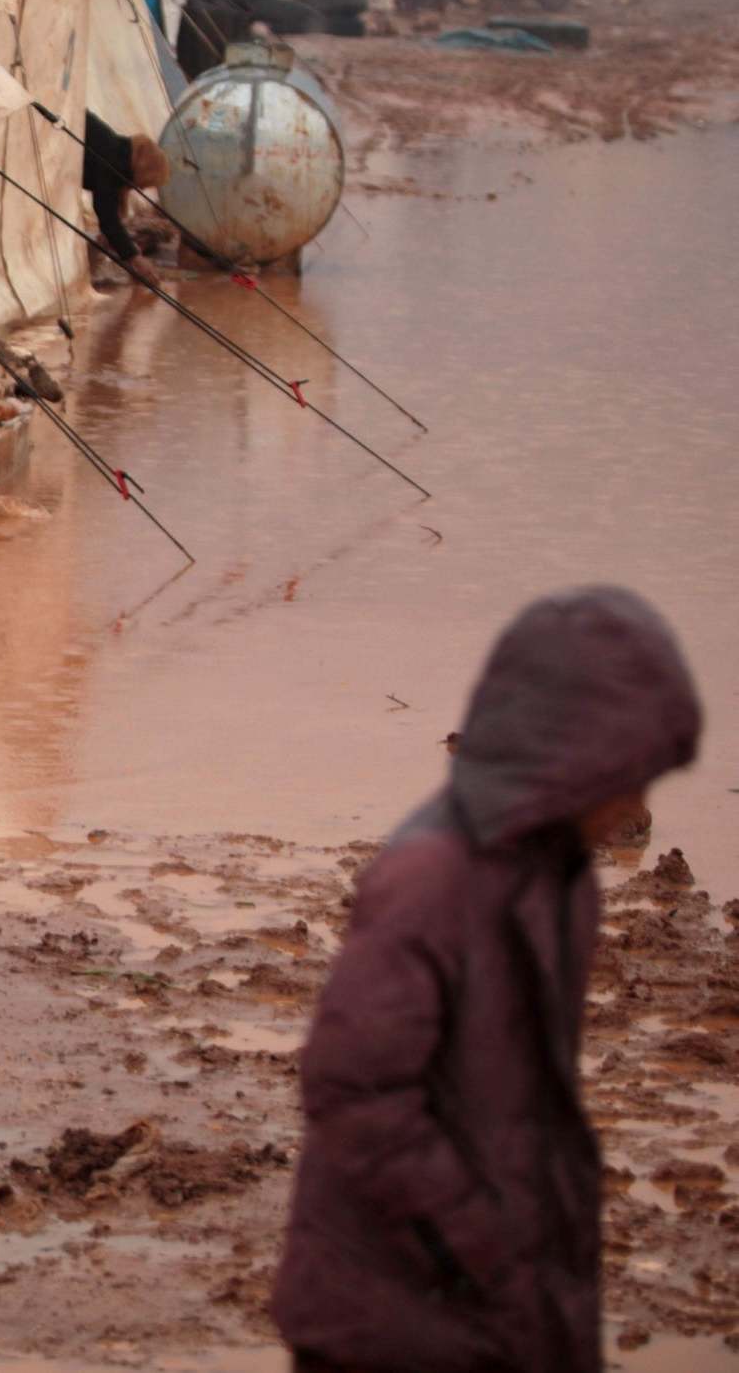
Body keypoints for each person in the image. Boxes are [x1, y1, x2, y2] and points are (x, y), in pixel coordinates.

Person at [273, 587, 702, 1373]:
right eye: (628, 771)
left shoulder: (564, 882)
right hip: (390, 1321)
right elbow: (353, 1093)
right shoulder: (431, 879)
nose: (638, 804)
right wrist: (488, 1246)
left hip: (497, 1309)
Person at [81, 110, 170, 264]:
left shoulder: (118, 151)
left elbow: (110, 212)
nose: (141, 189)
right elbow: (107, 217)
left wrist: (116, 241)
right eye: (145, 183)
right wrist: (134, 258)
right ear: (143, 171)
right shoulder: (113, 164)